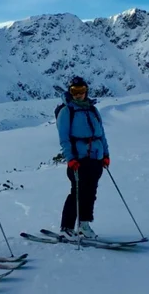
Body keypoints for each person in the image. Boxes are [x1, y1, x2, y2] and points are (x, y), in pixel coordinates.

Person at [56, 76, 110, 240]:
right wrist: (70, 158)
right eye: (75, 91)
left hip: (96, 158)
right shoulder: (67, 112)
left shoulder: (93, 110)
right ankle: (67, 226)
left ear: (86, 91)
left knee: (91, 192)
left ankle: (84, 224)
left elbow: (101, 135)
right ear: (70, 92)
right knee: (77, 193)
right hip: (78, 160)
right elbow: (64, 138)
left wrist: (106, 155)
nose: (78, 95)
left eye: (81, 91)